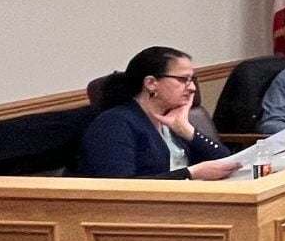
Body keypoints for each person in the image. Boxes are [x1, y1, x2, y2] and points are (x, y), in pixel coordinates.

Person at [81, 46, 239, 180]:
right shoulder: (114, 124)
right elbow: (121, 186)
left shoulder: (172, 118)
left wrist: (187, 131)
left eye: (192, 80)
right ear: (151, 83)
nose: (192, 88)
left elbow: (224, 162)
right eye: (183, 79)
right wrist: (191, 173)